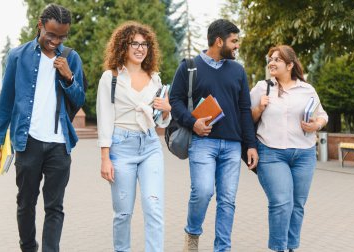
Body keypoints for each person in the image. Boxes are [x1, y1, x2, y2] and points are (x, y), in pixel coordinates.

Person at [0, 4, 85, 252]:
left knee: (54, 207)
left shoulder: (72, 58)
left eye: (62, 36)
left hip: (59, 145)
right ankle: (28, 247)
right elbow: (6, 103)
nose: (55, 41)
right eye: (51, 34)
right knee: (25, 203)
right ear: (40, 26)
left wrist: (69, 77)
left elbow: (79, 99)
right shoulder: (17, 56)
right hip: (28, 141)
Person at [169, 19, 258, 252]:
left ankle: (222, 248)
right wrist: (193, 122)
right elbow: (174, 100)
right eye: (234, 41)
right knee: (203, 191)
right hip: (202, 142)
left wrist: (250, 144)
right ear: (219, 41)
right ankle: (192, 232)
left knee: (227, 200)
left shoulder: (238, 71)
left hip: (232, 146)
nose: (237, 46)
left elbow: (245, 110)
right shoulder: (189, 67)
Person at [96, 21, 171, 252]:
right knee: (123, 212)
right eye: (134, 43)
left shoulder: (155, 78)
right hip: (121, 147)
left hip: (149, 145)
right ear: (123, 46)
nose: (140, 48)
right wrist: (105, 158)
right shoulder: (111, 78)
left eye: (144, 44)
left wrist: (166, 109)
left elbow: (159, 120)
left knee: (153, 207)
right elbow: (104, 117)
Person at [250, 45, 328, 252]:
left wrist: (315, 125)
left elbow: (323, 115)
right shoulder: (262, 87)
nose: (272, 62)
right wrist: (259, 108)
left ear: (290, 65)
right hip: (271, 152)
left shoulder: (306, 89)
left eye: (277, 59)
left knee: (297, 205)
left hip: (304, 154)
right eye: (271, 59)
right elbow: (245, 118)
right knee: (282, 202)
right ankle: (278, 248)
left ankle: (291, 247)